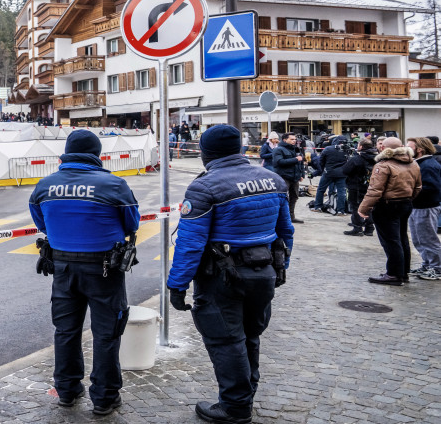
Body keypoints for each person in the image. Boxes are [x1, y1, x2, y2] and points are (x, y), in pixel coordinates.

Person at [167, 124, 294, 424]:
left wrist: (177, 285)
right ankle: (247, 394)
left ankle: (235, 408)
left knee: (226, 340)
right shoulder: (273, 180)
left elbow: (190, 243)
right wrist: (280, 269)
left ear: (205, 152)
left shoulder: (205, 187)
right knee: (250, 335)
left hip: (222, 277)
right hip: (263, 271)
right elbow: (285, 232)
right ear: (239, 148)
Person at [28, 130, 140, 416]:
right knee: (107, 333)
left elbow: (42, 222)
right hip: (105, 269)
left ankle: (67, 391)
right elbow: (132, 224)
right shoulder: (114, 184)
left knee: (66, 331)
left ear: (67, 152)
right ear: (96, 154)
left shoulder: (45, 185)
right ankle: (104, 398)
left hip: (62, 268)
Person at [358, 137, 422, 286]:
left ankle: (394, 274)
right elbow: (418, 187)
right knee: (401, 238)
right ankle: (403, 272)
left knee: (391, 241)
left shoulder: (384, 165)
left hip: (387, 205)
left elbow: (375, 190)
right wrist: (408, 198)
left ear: (383, 148)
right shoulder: (413, 163)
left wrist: (363, 209)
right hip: (405, 203)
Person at [407, 137, 441, 280]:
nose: (407, 150)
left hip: (426, 206)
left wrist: (409, 190)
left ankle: (437, 268)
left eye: (410, 147)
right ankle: (428, 264)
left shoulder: (428, 165)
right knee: (418, 239)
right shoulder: (420, 163)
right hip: (418, 206)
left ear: (420, 149)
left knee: (428, 239)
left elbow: (432, 188)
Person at [342, 139, 377, 236]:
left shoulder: (357, 159)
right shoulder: (377, 158)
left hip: (356, 186)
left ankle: (357, 227)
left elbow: (345, 170)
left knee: (356, 207)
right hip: (371, 186)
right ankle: (369, 228)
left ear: (361, 147)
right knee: (369, 206)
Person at [272, 133, 306, 223]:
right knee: (282, 197)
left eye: (295, 139)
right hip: (283, 177)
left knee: (294, 197)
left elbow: (300, 163)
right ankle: (279, 218)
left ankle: (291, 217)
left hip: (294, 177)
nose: (294, 141)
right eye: (291, 139)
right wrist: (295, 159)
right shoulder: (278, 149)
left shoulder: (296, 149)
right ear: (285, 140)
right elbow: (279, 162)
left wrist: (301, 174)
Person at [310, 136, 349, 215]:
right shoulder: (347, 149)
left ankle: (318, 207)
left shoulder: (328, 149)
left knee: (321, 189)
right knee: (341, 192)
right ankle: (341, 210)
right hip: (342, 173)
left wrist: (323, 169)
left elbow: (321, 161)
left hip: (328, 172)